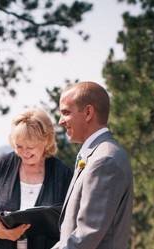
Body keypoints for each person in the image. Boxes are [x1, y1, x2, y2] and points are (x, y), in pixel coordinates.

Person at [0, 109, 73, 249]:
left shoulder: (63, 173)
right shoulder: (3, 165)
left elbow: (70, 221)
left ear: (46, 141)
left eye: (30, 147)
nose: (24, 153)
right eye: (19, 146)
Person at [52, 82, 133, 249]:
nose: (60, 121)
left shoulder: (104, 160)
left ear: (88, 112)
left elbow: (87, 235)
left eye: (66, 112)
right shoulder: (96, 154)